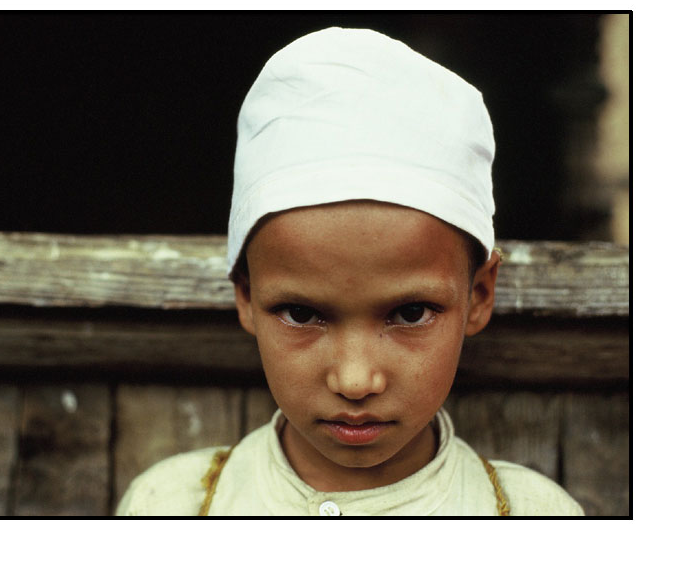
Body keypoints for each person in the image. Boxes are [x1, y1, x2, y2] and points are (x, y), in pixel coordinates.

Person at [115, 27, 584, 516]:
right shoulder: (172, 506)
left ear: (480, 294)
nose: (356, 381)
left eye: (409, 313)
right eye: (300, 313)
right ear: (246, 298)